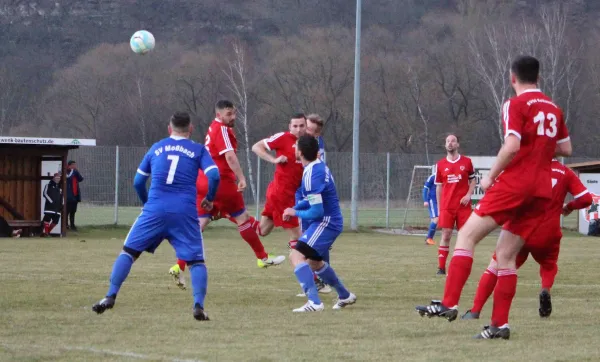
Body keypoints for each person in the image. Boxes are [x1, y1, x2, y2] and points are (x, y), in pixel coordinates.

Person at [416, 55, 572, 340]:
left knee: (466, 236)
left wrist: (490, 176)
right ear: (538, 78)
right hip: (542, 191)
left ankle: (449, 304)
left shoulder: (514, 104)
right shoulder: (554, 108)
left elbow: (512, 145)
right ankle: (500, 325)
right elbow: (566, 148)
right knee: (506, 256)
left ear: (512, 78)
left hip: (515, 183)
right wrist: (539, 147)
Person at [92, 111, 220, 321]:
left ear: (169, 129)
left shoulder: (157, 148)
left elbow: (138, 182)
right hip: (185, 212)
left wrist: (147, 204)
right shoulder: (198, 149)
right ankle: (198, 306)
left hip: (155, 209)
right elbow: (214, 175)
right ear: (191, 128)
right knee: (196, 261)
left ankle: (110, 295)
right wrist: (210, 198)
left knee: (128, 252)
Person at [168, 100, 285, 288]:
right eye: (229, 113)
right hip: (220, 180)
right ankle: (262, 257)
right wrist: (241, 178)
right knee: (242, 219)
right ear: (219, 114)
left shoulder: (214, 127)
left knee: (200, 223)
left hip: (203, 180)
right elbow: (229, 157)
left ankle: (179, 265)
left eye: (234, 113)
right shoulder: (222, 129)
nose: (233, 117)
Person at [461, 160, 592, 320]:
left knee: (497, 266)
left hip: (519, 229)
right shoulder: (565, 172)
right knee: (549, 265)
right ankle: (545, 288)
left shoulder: (524, 167)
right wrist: (569, 206)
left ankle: (476, 310)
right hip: (548, 231)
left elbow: (499, 189)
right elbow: (586, 199)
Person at [282, 135, 356, 312]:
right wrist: (295, 207)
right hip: (328, 221)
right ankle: (345, 295)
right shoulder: (315, 167)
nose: (293, 149)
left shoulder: (312, 173)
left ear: (300, 152)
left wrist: (295, 212)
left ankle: (314, 302)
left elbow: (316, 211)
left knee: (295, 256)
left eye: (295, 146)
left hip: (326, 222)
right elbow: (310, 199)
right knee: (315, 263)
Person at [251, 114, 306, 246]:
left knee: (262, 230)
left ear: (306, 126)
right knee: (297, 236)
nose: (298, 129)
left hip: (286, 193)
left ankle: (237, 216)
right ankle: (302, 266)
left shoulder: (309, 142)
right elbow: (256, 147)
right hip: (282, 193)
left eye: (301, 126)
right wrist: (274, 160)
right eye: (295, 126)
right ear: (290, 127)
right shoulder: (283, 137)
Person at [433, 134, 476, 274]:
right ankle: (441, 267)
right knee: (446, 235)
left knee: (465, 236)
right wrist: (439, 209)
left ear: (457, 144)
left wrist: (468, 195)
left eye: (453, 141)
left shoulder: (467, 162)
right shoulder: (440, 165)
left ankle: (461, 267)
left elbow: (473, 181)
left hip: (463, 207)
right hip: (447, 206)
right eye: (447, 141)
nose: (450, 143)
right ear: (445, 145)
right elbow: (439, 187)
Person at [66, 160, 83, 231]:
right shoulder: (66, 172)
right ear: (69, 165)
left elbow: (81, 179)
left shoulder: (75, 172)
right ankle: (65, 225)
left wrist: (77, 171)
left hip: (74, 195)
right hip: (68, 196)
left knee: (73, 211)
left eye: (75, 165)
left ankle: (72, 225)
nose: (74, 166)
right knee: (66, 211)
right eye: (73, 165)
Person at [422, 171, 438, 246]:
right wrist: (425, 200)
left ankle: (428, 238)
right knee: (436, 219)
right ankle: (429, 238)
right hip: (432, 200)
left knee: (434, 220)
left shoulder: (446, 176)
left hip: (441, 201)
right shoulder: (433, 177)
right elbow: (425, 189)